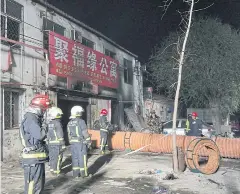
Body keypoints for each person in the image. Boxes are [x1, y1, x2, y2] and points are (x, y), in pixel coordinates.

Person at [19, 94, 50, 194]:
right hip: (33, 159)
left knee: (38, 185)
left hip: (36, 158)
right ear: (38, 108)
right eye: (44, 109)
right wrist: (45, 125)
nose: (44, 111)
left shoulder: (33, 118)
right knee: (33, 186)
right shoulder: (31, 118)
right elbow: (40, 135)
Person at [67, 106, 91, 179]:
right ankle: (84, 174)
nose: (81, 113)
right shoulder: (81, 121)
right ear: (77, 112)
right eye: (80, 112)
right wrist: (88, 140)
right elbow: (84, 132)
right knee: (82, 158)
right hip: (80, 143)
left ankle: (75, 175)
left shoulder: (69, 123)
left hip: (73, 144)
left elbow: (68, 134)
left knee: (75, 158)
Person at [47, 107, 65, 176]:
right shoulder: (58, 123)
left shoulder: (50, 123)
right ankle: (57, 171)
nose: (60, 116)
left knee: (52, 157)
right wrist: (63, 144)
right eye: (59, 114)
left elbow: (48, 134)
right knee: (58, 157)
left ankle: (52, 169)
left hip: (51, 143)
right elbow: (60, 134)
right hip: (57, 143)